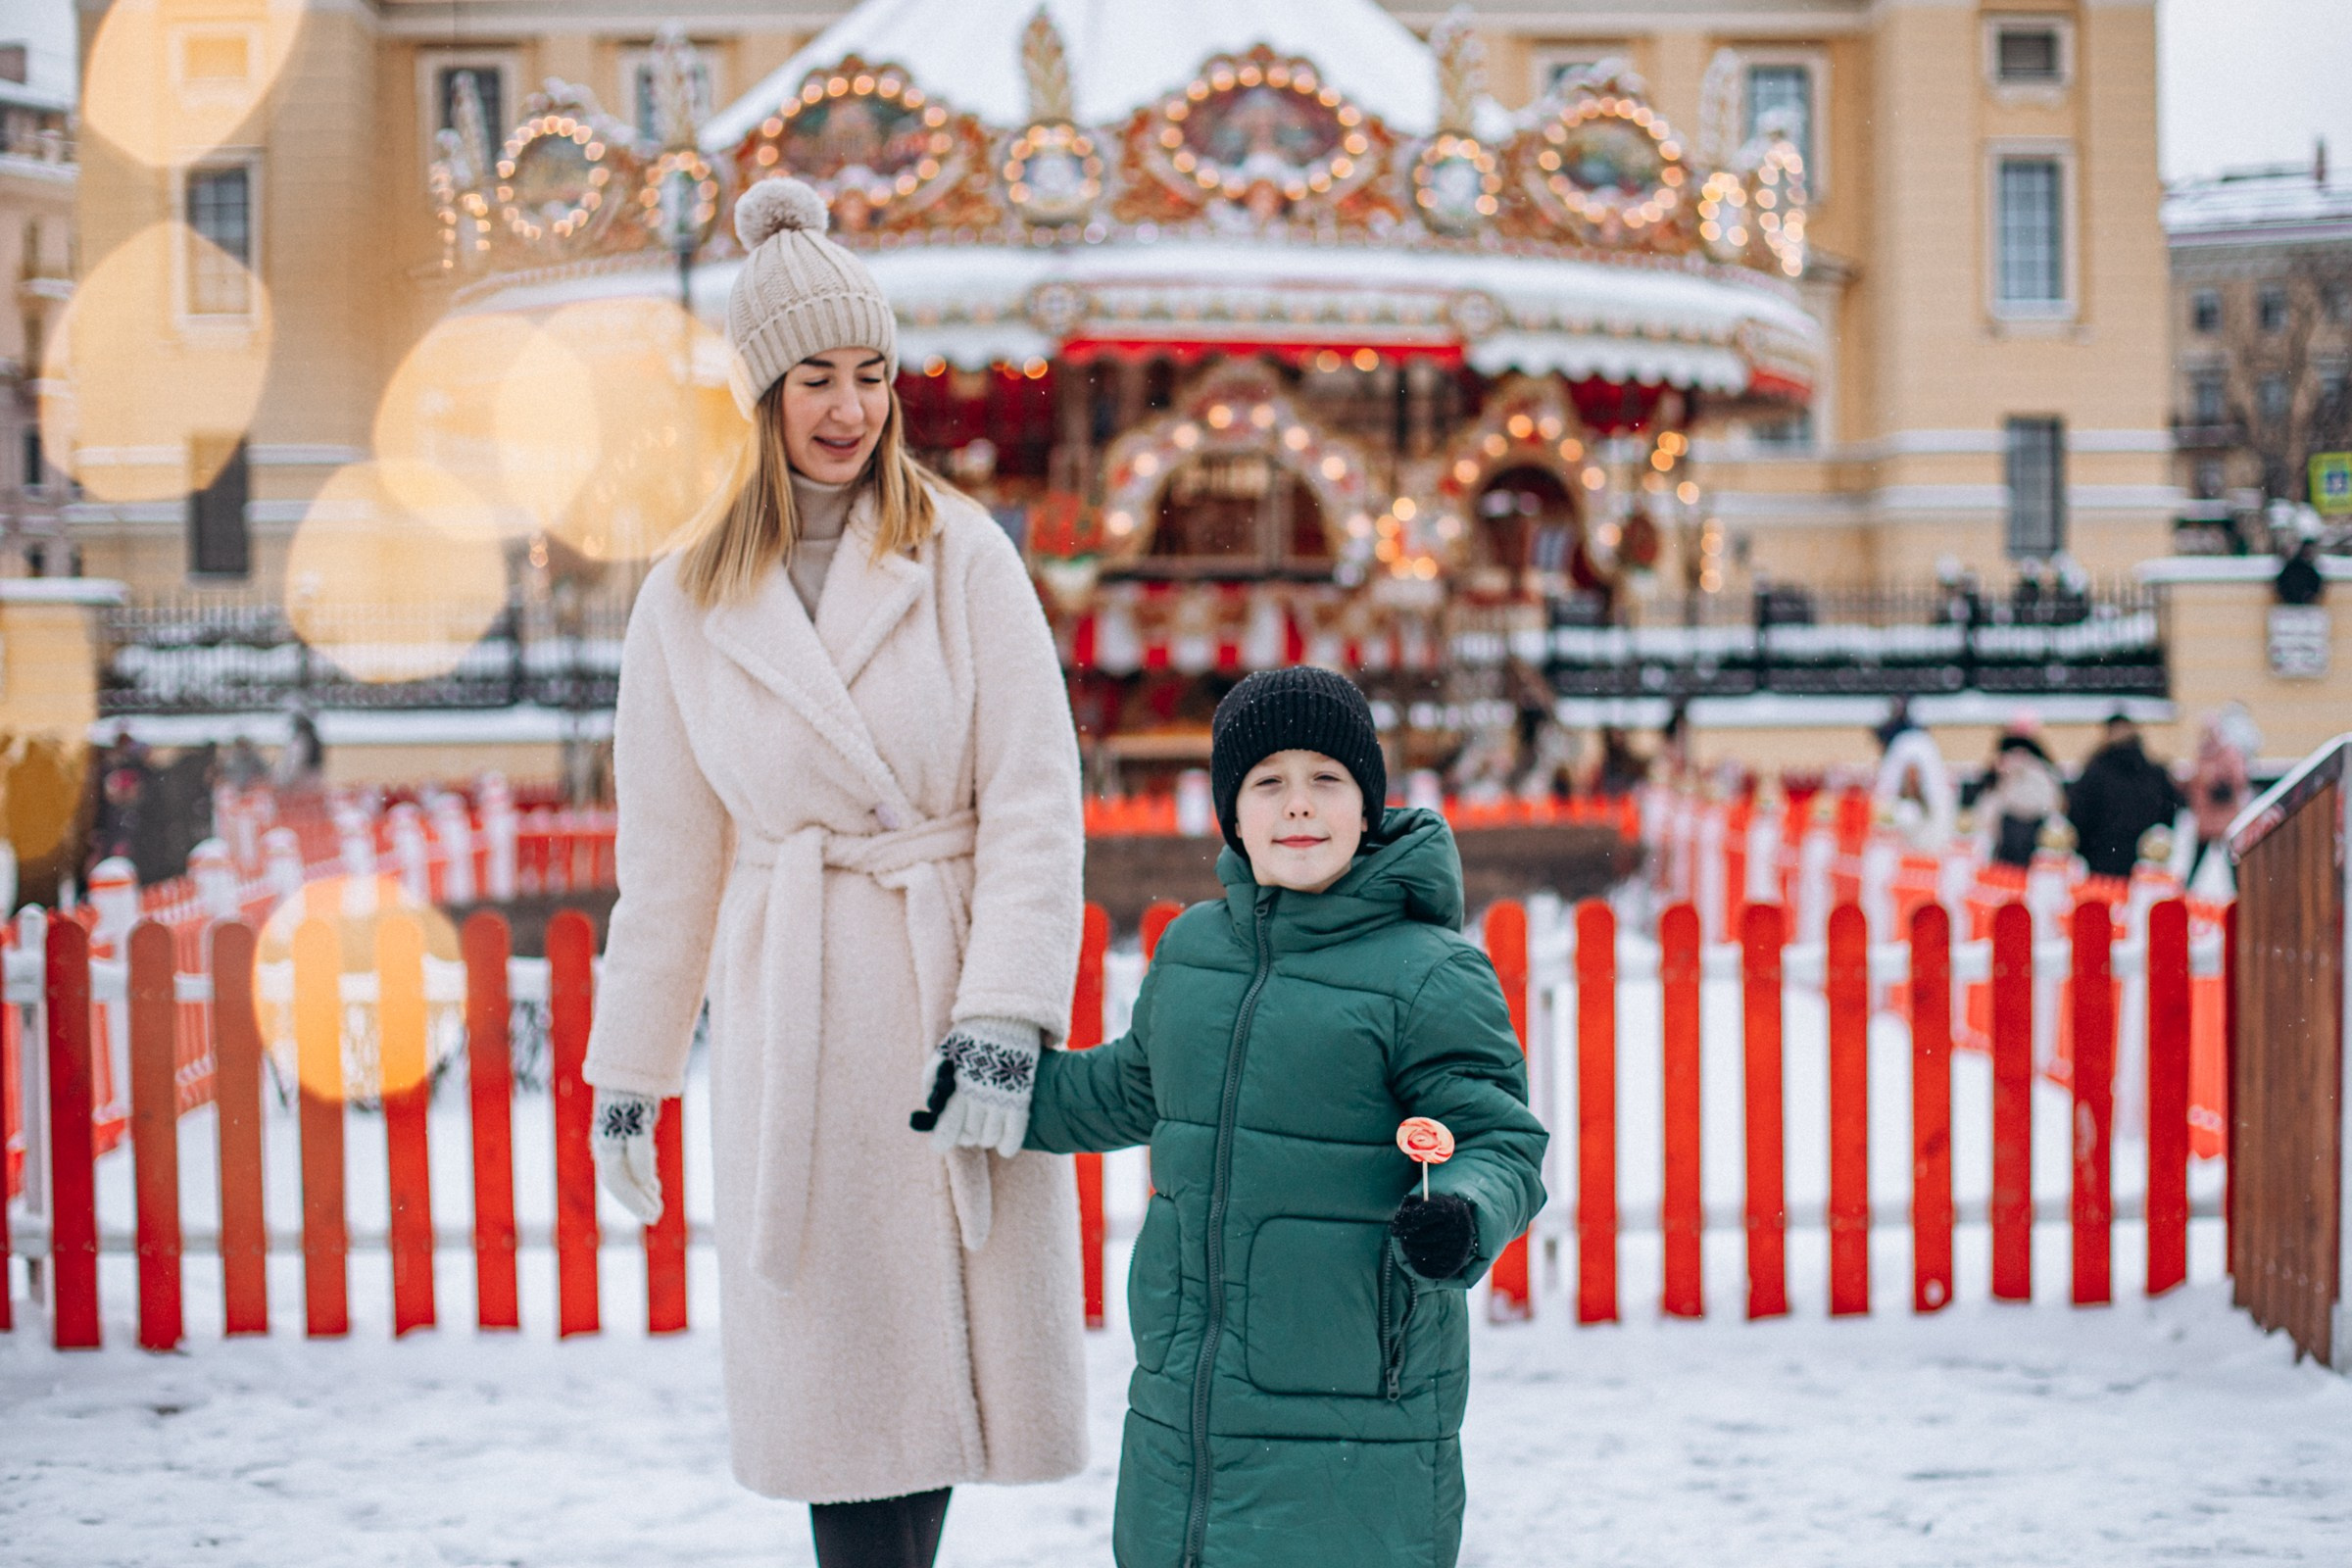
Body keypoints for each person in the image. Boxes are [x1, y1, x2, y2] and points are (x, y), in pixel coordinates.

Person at [579, 176, 1088, 1568]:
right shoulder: (683, 600)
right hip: (793, 1014)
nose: (850, 407)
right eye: (817, 375)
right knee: (839, 1392)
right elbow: (670, 863)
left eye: (871, 374)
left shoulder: (961, 552)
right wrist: (629, 1074)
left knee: (931, 1384)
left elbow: (1036, 800)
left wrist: (1006, 1015)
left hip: (943, 994)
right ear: (761, 393)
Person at [927, 666, 1547, 1568]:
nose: (1299, 805)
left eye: (1326, 780)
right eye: (1268, 783)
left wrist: (1461, 1211)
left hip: (1357, 1414)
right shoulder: (1191, 954)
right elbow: (1132, 1090)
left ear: (1369, 805)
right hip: (1187, 1411)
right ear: (1233, 813)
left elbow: (1496, 1138)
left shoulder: (1427, 972)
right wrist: (1002, 1089)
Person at [2066, 711, 2184, 879]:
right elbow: (2170, 813)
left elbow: (2077, 815)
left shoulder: (2095, 772)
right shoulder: (2153, 772)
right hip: (2144, 864)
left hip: (2102, 862)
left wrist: (2087, 848)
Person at [1981, 728, 2065, 869]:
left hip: (2018, 835)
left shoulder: (2024, 773)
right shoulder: (2044, 771)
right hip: (2029, 838)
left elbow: (1986, 816)